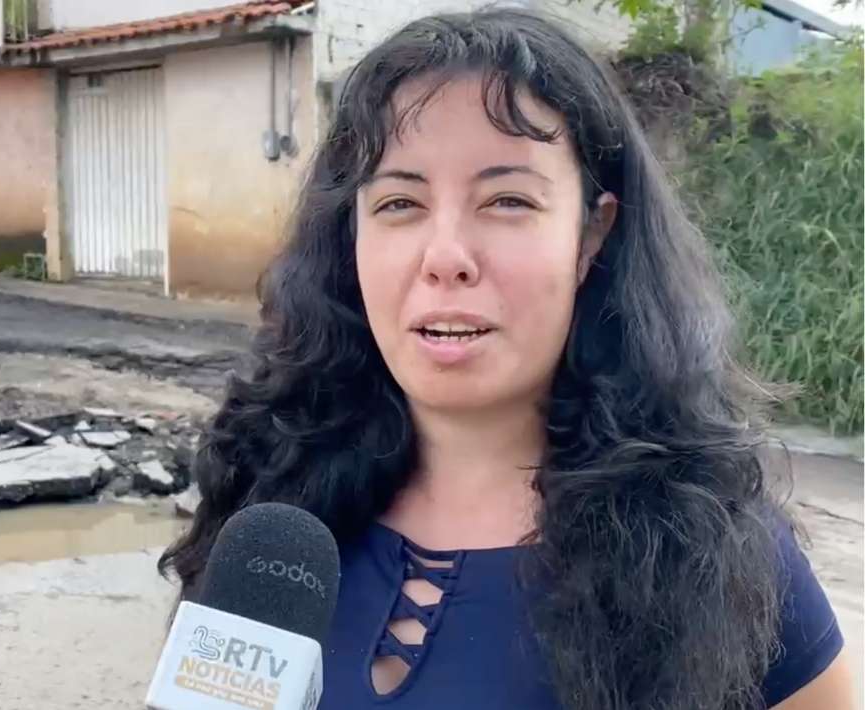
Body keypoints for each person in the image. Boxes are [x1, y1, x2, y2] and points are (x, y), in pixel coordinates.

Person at [160, 9, 852, 710]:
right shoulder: (270, 507)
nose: (446, 258)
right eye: (400, 202)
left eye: (508, 200)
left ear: (592, 234)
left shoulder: (712, 545)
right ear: (352, 238)